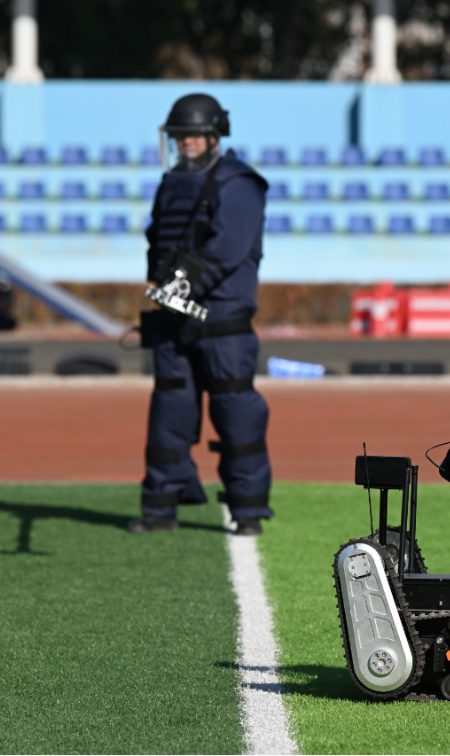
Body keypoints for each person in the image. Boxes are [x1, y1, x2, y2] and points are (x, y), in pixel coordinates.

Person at [129, 93, 273, 537]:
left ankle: (248, 510)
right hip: (175, 320)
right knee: (169, 413)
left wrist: (178, 289)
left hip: (222, 323)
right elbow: (158, 242)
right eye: (179, 135)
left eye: (192, 134)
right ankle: (160, 507)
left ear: (213, 136)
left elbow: (227, 249)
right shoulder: (171, 182)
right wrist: (162, 291)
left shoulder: (239, 183)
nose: (185, 142)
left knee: (236, 414)